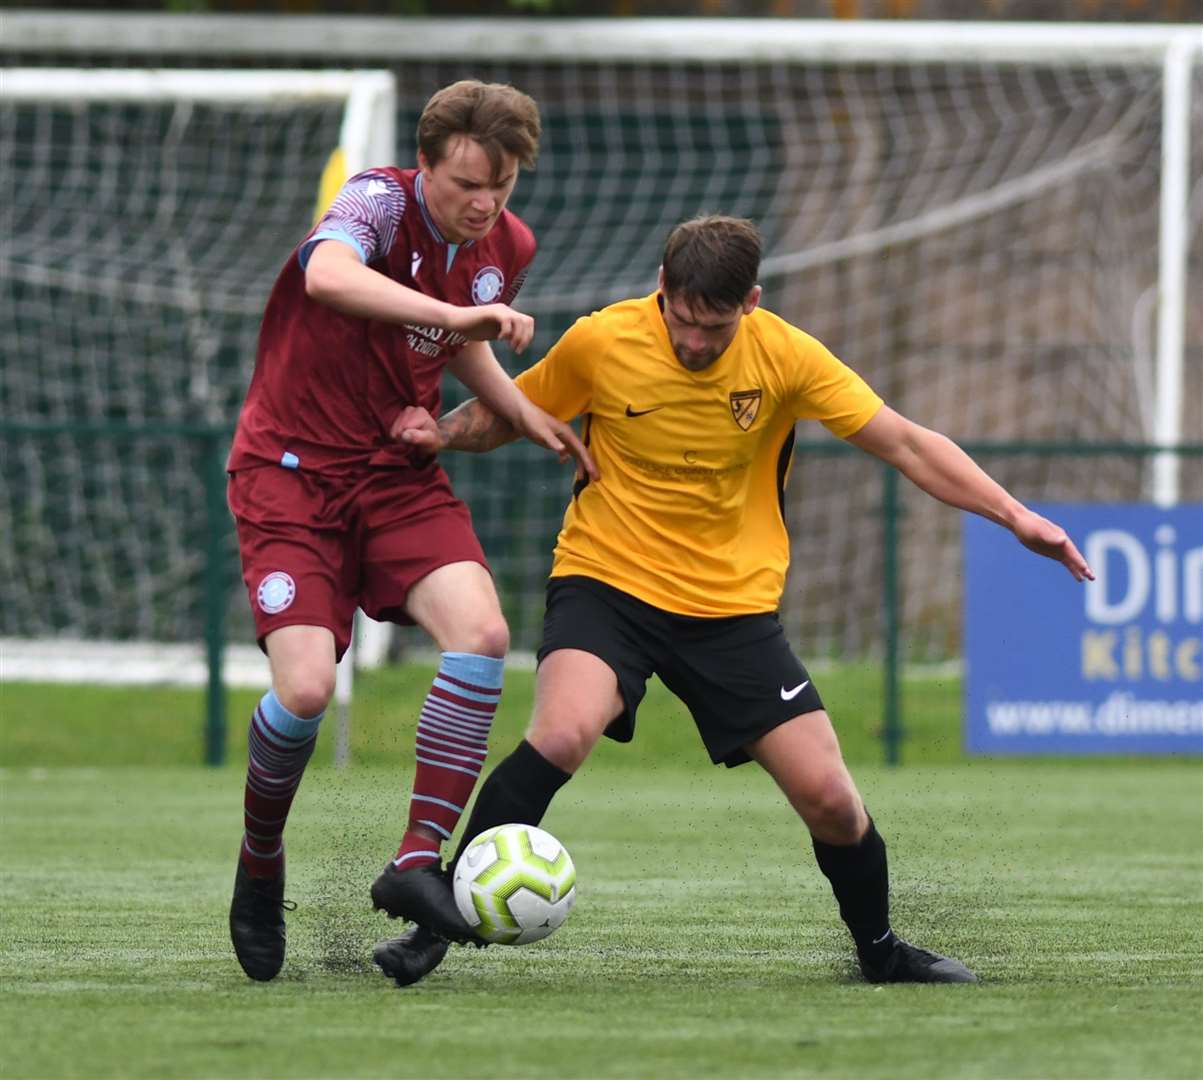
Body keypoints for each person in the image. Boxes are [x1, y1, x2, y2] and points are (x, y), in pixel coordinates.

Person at [377, 213, 1097, 988]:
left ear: (749, 302)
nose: (693, 342)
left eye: (713, 327)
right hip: (606, 581)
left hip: (730, 608)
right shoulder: (603, 340)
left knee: (831, 801)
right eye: (682, 321)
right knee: (562, 732)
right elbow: (508, 413)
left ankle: (879, 951)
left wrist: (1016, 516)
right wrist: (441, 435)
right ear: (661, 289)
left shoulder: (785, 356)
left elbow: (906, 442)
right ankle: (434, 929)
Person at [225, 79, 595, 984]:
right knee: (306, 691)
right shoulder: (378, 201)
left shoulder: (505, 243)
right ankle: (260, 859)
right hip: (291, 477)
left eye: (500, 185)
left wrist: (520, 410)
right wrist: (458, 317)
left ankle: (415, 860)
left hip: (395, 477)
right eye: (466, 183)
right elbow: (330, 276)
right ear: (424, 163)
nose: (484, 204)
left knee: (483, 634)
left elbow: (452, 341)